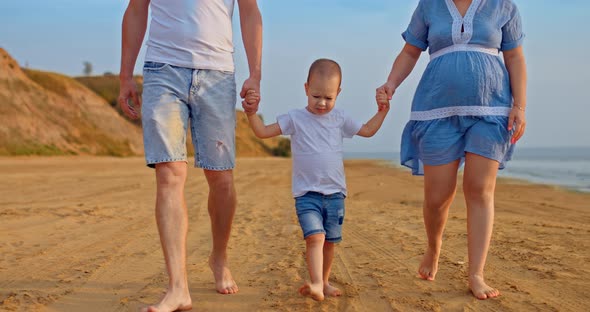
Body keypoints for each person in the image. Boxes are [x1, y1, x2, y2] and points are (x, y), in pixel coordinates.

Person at [376, 0, 527, 300]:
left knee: (479, 189)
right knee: (437, 197)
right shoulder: (429, 6)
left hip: (491, 109)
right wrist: (390, 83)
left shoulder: (502, 5)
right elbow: (410, 51)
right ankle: (434, 247)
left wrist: (519, 106)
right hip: (436, 110)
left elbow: (514, 56)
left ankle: (476, 274)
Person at [117, 0, 262, 310]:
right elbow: (136, 8)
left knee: (221, 177)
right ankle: (178, 287)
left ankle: (219, 258)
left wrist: (256, 74)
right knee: (169, 174)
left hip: (217, 73)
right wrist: (125, 75)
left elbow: (250, 11)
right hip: (162, 70)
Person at [243, 58, 390, 301]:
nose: (322, 103)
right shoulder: (295, 118)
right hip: (306, 194)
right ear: (306, 89)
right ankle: (315, 284)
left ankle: (324, 281)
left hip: (335, 195)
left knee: (330, 242)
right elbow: (262, 132)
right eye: (316, 96)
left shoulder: (340, 118)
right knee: (315, 237)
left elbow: (367, 130)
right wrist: (250, 113)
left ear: (338, 94)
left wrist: (382, 112)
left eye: (329, 98)